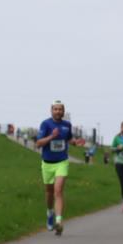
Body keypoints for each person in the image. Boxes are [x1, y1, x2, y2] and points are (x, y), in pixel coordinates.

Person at [35, 101, 86, 236]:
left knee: (58, 190)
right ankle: (50, 213)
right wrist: (52, 136)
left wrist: (76, 142)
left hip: (62, 162)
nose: (58, 111)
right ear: (51, 110)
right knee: (49, 192)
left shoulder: (67, 125)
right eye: (55, 109)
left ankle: (59, 221)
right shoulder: (45, 124)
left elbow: (68, 139)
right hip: (47, 163)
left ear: (63, 112)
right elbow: (38, 143)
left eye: (60, 109)